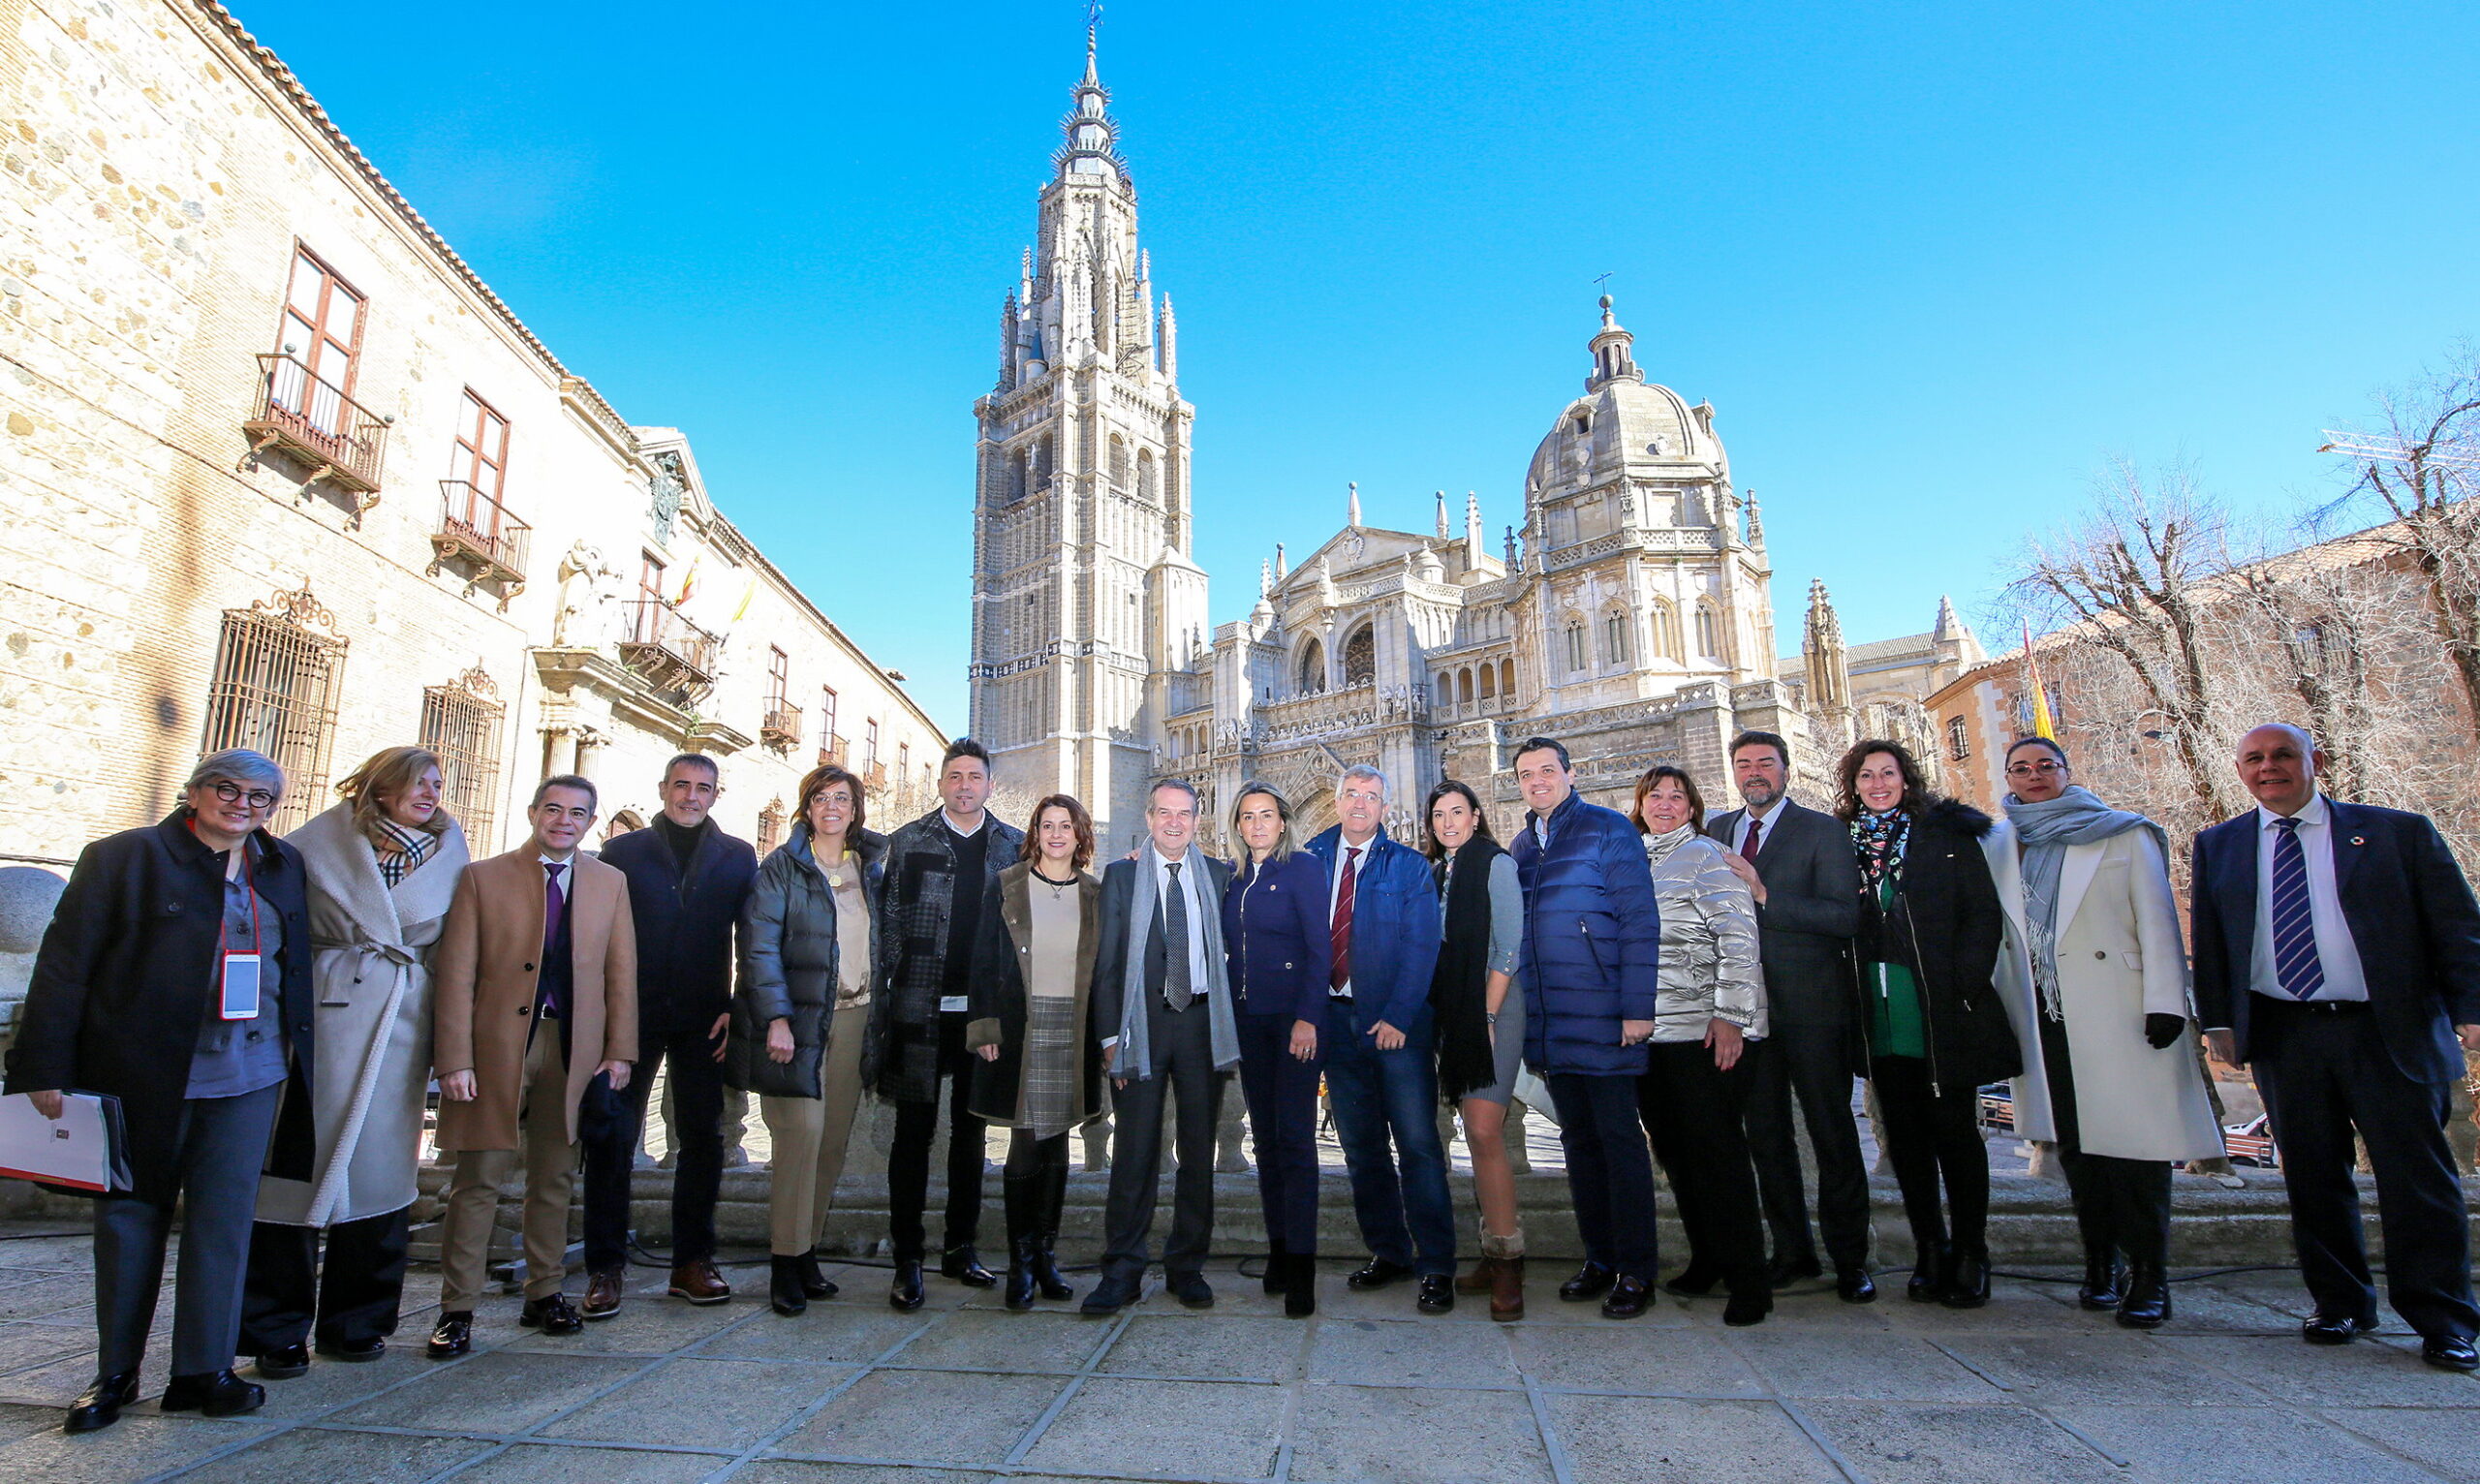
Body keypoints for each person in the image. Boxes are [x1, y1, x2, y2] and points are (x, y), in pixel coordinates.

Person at [7, 750, 316, 1431]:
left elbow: (295, 960)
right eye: (226, 789)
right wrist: (42, 1069)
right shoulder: (124, 858)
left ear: (273, 807)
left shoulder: (282, 864)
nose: (242, 804)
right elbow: (64, 965)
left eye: (259, 797)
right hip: (143, 1071)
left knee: (224, 1225)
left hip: (251, 1075)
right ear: (195, 792)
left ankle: (204, 1371)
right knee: (128, 1220)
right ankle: (114, 1373)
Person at [2191, 724, 2480, 1373]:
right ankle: (2339, 1303)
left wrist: (2473, 1008)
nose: (2270, 768)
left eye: (2284, 755)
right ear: (2241, 770)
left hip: (2386, 1030)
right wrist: (2218, 1023)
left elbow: (2458, 928)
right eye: (2256, 759)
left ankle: (2444, 1319)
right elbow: (2213, 944)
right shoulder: (2221, 845)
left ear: (2314, 761)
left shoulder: (2395, 833)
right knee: (2315, 1178)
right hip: (2283, 1032)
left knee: (2418, 1180)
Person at [243, 747, 471, 1377]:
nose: (430, 793)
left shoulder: (454, 852)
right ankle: (275, 1327)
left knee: (381, 1175)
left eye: (437, 784)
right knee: (292, 1174)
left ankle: (358, 1321)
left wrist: (452, 1047)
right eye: (417, 783)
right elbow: (274, 927)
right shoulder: (315, 842)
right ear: (383, 785)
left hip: (402, 1022)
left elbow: (457, 955)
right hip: (321, 1017)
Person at [1988, 737, 2221, 1329]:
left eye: (2046, 766)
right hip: (2045, 1016)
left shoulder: (2121, 831)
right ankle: (2100, 1263)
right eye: (2021, 769)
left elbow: (2157, 916)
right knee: (2077, 1149)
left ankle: (2150, 1276)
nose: (2034, 776)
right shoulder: (2001, 842)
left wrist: (2167, 1001)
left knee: (2137, 1150)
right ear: (2008, 779)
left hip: (2119, 1010)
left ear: (2067, 771)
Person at [426, 775, 636, 1359]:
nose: (563, 821)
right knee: (478, 1180)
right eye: (553, 809)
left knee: (555, 1176)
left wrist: (620, 1050)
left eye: (577, 813)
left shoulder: (609, 882)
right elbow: (456, 974)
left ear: (591, 822)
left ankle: (544, 1293)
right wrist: (453, 1059)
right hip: (497, 1049)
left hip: (573, 1048)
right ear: (533, 812)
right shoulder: (482, 878)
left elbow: (621, 973)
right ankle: (456, 1309)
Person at [1838, 739, 2018, 1309]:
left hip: (1940, 1009)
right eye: (1866, 776)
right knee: (1907, 1140)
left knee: (1957, 1136)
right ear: (1854, 785)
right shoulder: (1843, 842)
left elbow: (1982, 915)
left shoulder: (1944, 836)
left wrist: (1960, 984)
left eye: (1886, 773)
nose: (1877, 784)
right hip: (1878, 1009)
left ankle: (1971, 1253)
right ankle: (1930, 1249)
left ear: (1906, 778)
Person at [585, 754, 758, 1317]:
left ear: (715, 795)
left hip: (705, 1015)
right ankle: (605, 1267)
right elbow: (600, 934)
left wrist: (739, 1007)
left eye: (702, 787)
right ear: (663, 789)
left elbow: (750, 940)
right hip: (631, 1015)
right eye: (681, 785)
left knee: (703, 1138)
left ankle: (692, 1261)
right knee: (614, 1136)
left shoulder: (737, 856)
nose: (691, 796)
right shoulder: (624, 853)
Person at [1705, 730, 1873, 1302]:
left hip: (1811, 1009)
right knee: (1767, 1137)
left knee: (1831, 1132)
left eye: (1765, 764)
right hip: (1747, 1014)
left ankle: (1851, 1259)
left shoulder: (1823, 831)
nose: (1755, 773)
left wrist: (1763, 892)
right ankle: (1792, 1251)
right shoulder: (1719, 832)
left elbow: (1843, 917)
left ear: (1786, 770)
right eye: (1744, 763)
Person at [1507, 737, 1664, 1319]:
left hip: (1605, 1016)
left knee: (1621, 1146)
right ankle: (1600, 1259)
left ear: (1570, 774)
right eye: (1527, 775)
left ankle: (1636, 1270)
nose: (1537, 781)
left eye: (1547, 771)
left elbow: (1638, 919)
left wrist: (1636, 1007)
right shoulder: (1524, 844)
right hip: (1552, 1024)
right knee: (1578, 1147)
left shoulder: (1606, 829)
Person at [871, 739, 1024, 1310]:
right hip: (917, 1011)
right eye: (955, 776)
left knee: (972, 1137)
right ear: (942, 784)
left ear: (989, 784)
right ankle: (907, 1259)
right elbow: (887, 929)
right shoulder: (907, 843)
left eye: (974, 777)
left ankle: (961, 1249)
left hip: (982, 1018)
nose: (964, 786)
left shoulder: (1012, 846)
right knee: (912, 1137)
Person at [729, 763, 884, 1316]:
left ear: (855, 808)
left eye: (842, 797)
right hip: (796, 1024)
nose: (832, 806)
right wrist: (775, 1019)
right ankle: (784, 1261)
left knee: (832, 1145)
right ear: (808, 807)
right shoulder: (782, 868)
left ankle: (808, 1252)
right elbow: (760, 947)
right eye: (821, 797)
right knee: (800, 1139)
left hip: (855, 1018)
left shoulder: (871, 865)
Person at [1081, 779, 1240, 1314]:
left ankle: (1186, 1267)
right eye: (1165, 813)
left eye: (1185, 814)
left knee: (1198, 1152)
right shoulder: (1121, 876)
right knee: (1134, 1152)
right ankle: (1122, 1268)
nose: (1175, 823)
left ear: (1198, 820)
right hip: (1140, 1027)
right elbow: (1105, 966)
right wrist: (1109, 1040)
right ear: (1148, 818)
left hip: (1200, 1028)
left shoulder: (1220, 877)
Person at [1305, 765, 1454, 1312]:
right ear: (1338, 800)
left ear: (1385, 808)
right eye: (1352, 795)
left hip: (1398, 1028)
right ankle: (1390, 1251)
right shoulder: (1312, 859)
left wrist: (1397, 1016)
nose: (1361, 804)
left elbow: (1422, 949)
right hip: (1337, 1028)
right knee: (1362, 1149)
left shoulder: (1411, 867)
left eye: (1372, 797)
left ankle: (1437, 1264)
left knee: (1417, 1147)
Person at [1630, 765, 1772, 1327]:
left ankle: (1749, 1281)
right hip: (1653, 1033)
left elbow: (1739, 937)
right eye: (1655, 796)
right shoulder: (1636, 859)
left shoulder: (1709, 857)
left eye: (1677, 797)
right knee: (1675, 1153)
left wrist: (1731, 1017)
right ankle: (1708, 1258)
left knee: (1718, 1156)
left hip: (1703, 1033)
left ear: (1692, 808)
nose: (1665, 804)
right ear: (1640, 805)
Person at [967, 794, 1106, 1310]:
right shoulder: (1005, 886)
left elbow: (1106, 969)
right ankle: (1020, 1263)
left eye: (1065, 826)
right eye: (1047, 825)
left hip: (1074, 1026)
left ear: (1079, 835)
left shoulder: (1094, 893)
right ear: (1035, 833)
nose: (1055, 834)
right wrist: (984, 1027)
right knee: (1025, 1143)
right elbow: (982, 957)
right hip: (1023, 1025)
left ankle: (1046, 1256)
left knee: (1056, 1145)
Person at [1221, 783, 1331, 1318]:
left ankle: (1303, 1268)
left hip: (1294, 1024)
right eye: (1248, 817)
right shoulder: (1234, 877)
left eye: (1267, 815)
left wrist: (1309, 1018)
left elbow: (1320, 948)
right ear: (1238, 826)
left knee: (1295, 1141)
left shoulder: (1303, 869)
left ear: (1283, 822)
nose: (1258, 824)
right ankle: (1279, 1251)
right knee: (1264, 1139)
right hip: (1249, 1023)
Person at [1424, 780, 1528, 1321]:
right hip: (1456, 1013)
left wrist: (1486, 1015)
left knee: (1486, 1131)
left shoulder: (1495, 863)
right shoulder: (1440, 872)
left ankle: (1509, 1265)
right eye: (1438, 815)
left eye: (1456, 812)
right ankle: (1493, 1251)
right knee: (1475, 1132)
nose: (1447, 823)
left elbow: (1509, 948)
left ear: (1476, 815)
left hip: (1494, 1010)